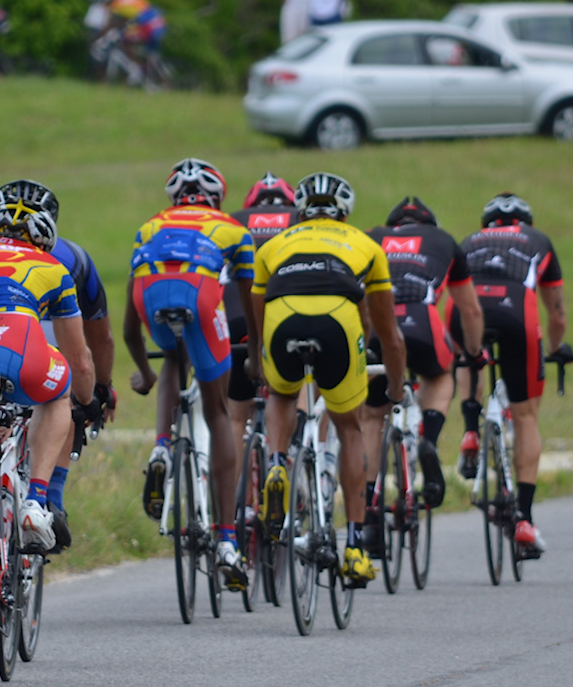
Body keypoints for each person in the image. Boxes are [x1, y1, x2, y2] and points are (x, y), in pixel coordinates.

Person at [253, 172, 404, 588]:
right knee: (350, 427)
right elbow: (387, 332)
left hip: (282, 320)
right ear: (345, 212)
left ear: (299, 210)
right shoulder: (366, 245)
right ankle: (355, 548)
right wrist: (393, 385)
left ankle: (278, 464)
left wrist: (257, 359)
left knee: (283, 394)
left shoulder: (274, 244)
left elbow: (257, 308)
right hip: (339, 323)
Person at [124, 159, 258, 589]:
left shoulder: (149, 228)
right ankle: (226, 539)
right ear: (217, 198)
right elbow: (247, 300)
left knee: (172, 358)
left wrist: (144, 373)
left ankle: (162, 447)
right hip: (201, 299)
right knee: (218, 412)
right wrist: (254, 353)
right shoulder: (233, 229)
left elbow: (128, 326)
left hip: (151, 301)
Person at [0, 185, 95, 553]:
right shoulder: (55, 267)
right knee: (58, 392)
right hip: (23, 352)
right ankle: (36, 499)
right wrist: (86, 401)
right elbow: (79, 358)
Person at [0, 180, 113, 551]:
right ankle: (48, 499)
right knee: (66, 393)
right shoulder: (72, 258)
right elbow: (99, 339)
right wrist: (98, 393)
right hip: (42, 346)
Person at [456, 195, 566, 559]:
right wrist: (555, 348)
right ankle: (524, 518)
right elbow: (557, 314)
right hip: (516, 312)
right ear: (526, 222)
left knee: (470, 357)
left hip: (467, 312)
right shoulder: (539, 240)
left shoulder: (470, 240)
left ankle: (471, 430)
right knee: (525, 415)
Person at [366, 197, 483, 503]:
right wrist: (472, 353)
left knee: (371, 414)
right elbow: (470, 310)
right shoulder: (444, 240)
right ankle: (428, 439)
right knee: (443, 374)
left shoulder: (371, 236)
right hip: (423, 323)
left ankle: (368, 508)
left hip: (378, 323)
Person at [224, 173, 297, 454]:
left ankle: (233, 496)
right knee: (295, 386)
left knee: (236, 415)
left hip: (234, 316)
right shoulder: (301, 220)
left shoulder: (231, 220)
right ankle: (299, 441)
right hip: (284, 316)